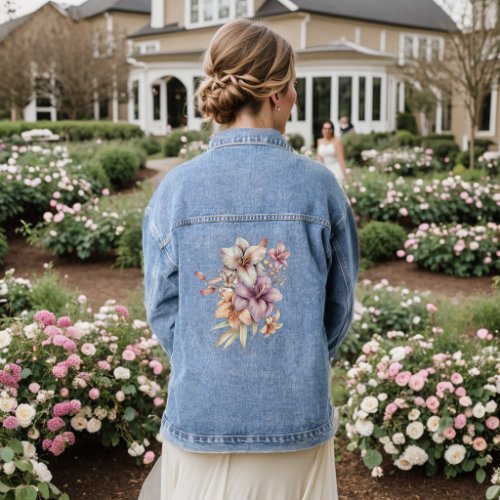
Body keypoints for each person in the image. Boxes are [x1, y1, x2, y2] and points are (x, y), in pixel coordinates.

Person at [141, 19, 358, 500]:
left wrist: (207, 363)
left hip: (202, 414)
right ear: (278, 94)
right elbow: (339, 309)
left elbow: (163, 310)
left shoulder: (175, 190)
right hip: (294, 417)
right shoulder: (319, 187)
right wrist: (295, 359)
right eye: (295, 85)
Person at [316, 120, 349, 185]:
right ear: (322, 130)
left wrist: (346, 177)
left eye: (329, 129)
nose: (327, 131)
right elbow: (319, 159)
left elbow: (341, 160)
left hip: (336, 171)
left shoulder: (337, 141)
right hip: (324, 170)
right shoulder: (319, 141)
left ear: (332, 130)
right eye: (325, 128)